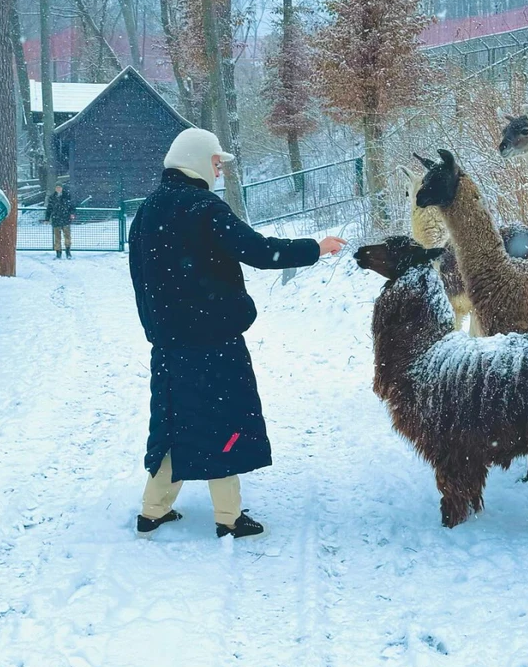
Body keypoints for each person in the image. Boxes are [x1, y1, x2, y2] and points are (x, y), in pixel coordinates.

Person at [129, 128, 346, 538]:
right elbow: (259, 251)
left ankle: (152, 509)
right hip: (214, 341)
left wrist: (156, 329)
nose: (218, 171)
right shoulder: (203, 208)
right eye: (215, 163)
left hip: (170, 344)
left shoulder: (148, 211)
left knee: (174, 423)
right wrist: (315, 248)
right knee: (222, 423)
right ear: (194, 160)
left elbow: (139, 277)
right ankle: (228, 519)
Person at [44, 182, 76, 258]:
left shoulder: (67, 196)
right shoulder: (52, 197)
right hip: (56, 219)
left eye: (60, 187)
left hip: (65, 218)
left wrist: (72, 213)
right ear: (55, 188)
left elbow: (72, 206)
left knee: (67, 236)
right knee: (57, 237)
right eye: (57, 187)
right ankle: (58, 253)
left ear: (62, 188)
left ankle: (68, 252)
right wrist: (47, 219)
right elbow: (49, 209)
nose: (58, 189)